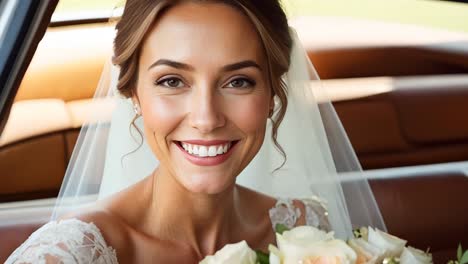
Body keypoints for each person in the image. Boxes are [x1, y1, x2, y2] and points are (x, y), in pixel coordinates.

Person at [6, 0, 385, 263]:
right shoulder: (66, 256)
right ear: (133, 94)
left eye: (238, 82)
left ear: (272, 94)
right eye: (172, 81)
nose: (206, 118)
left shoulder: (306, 231)